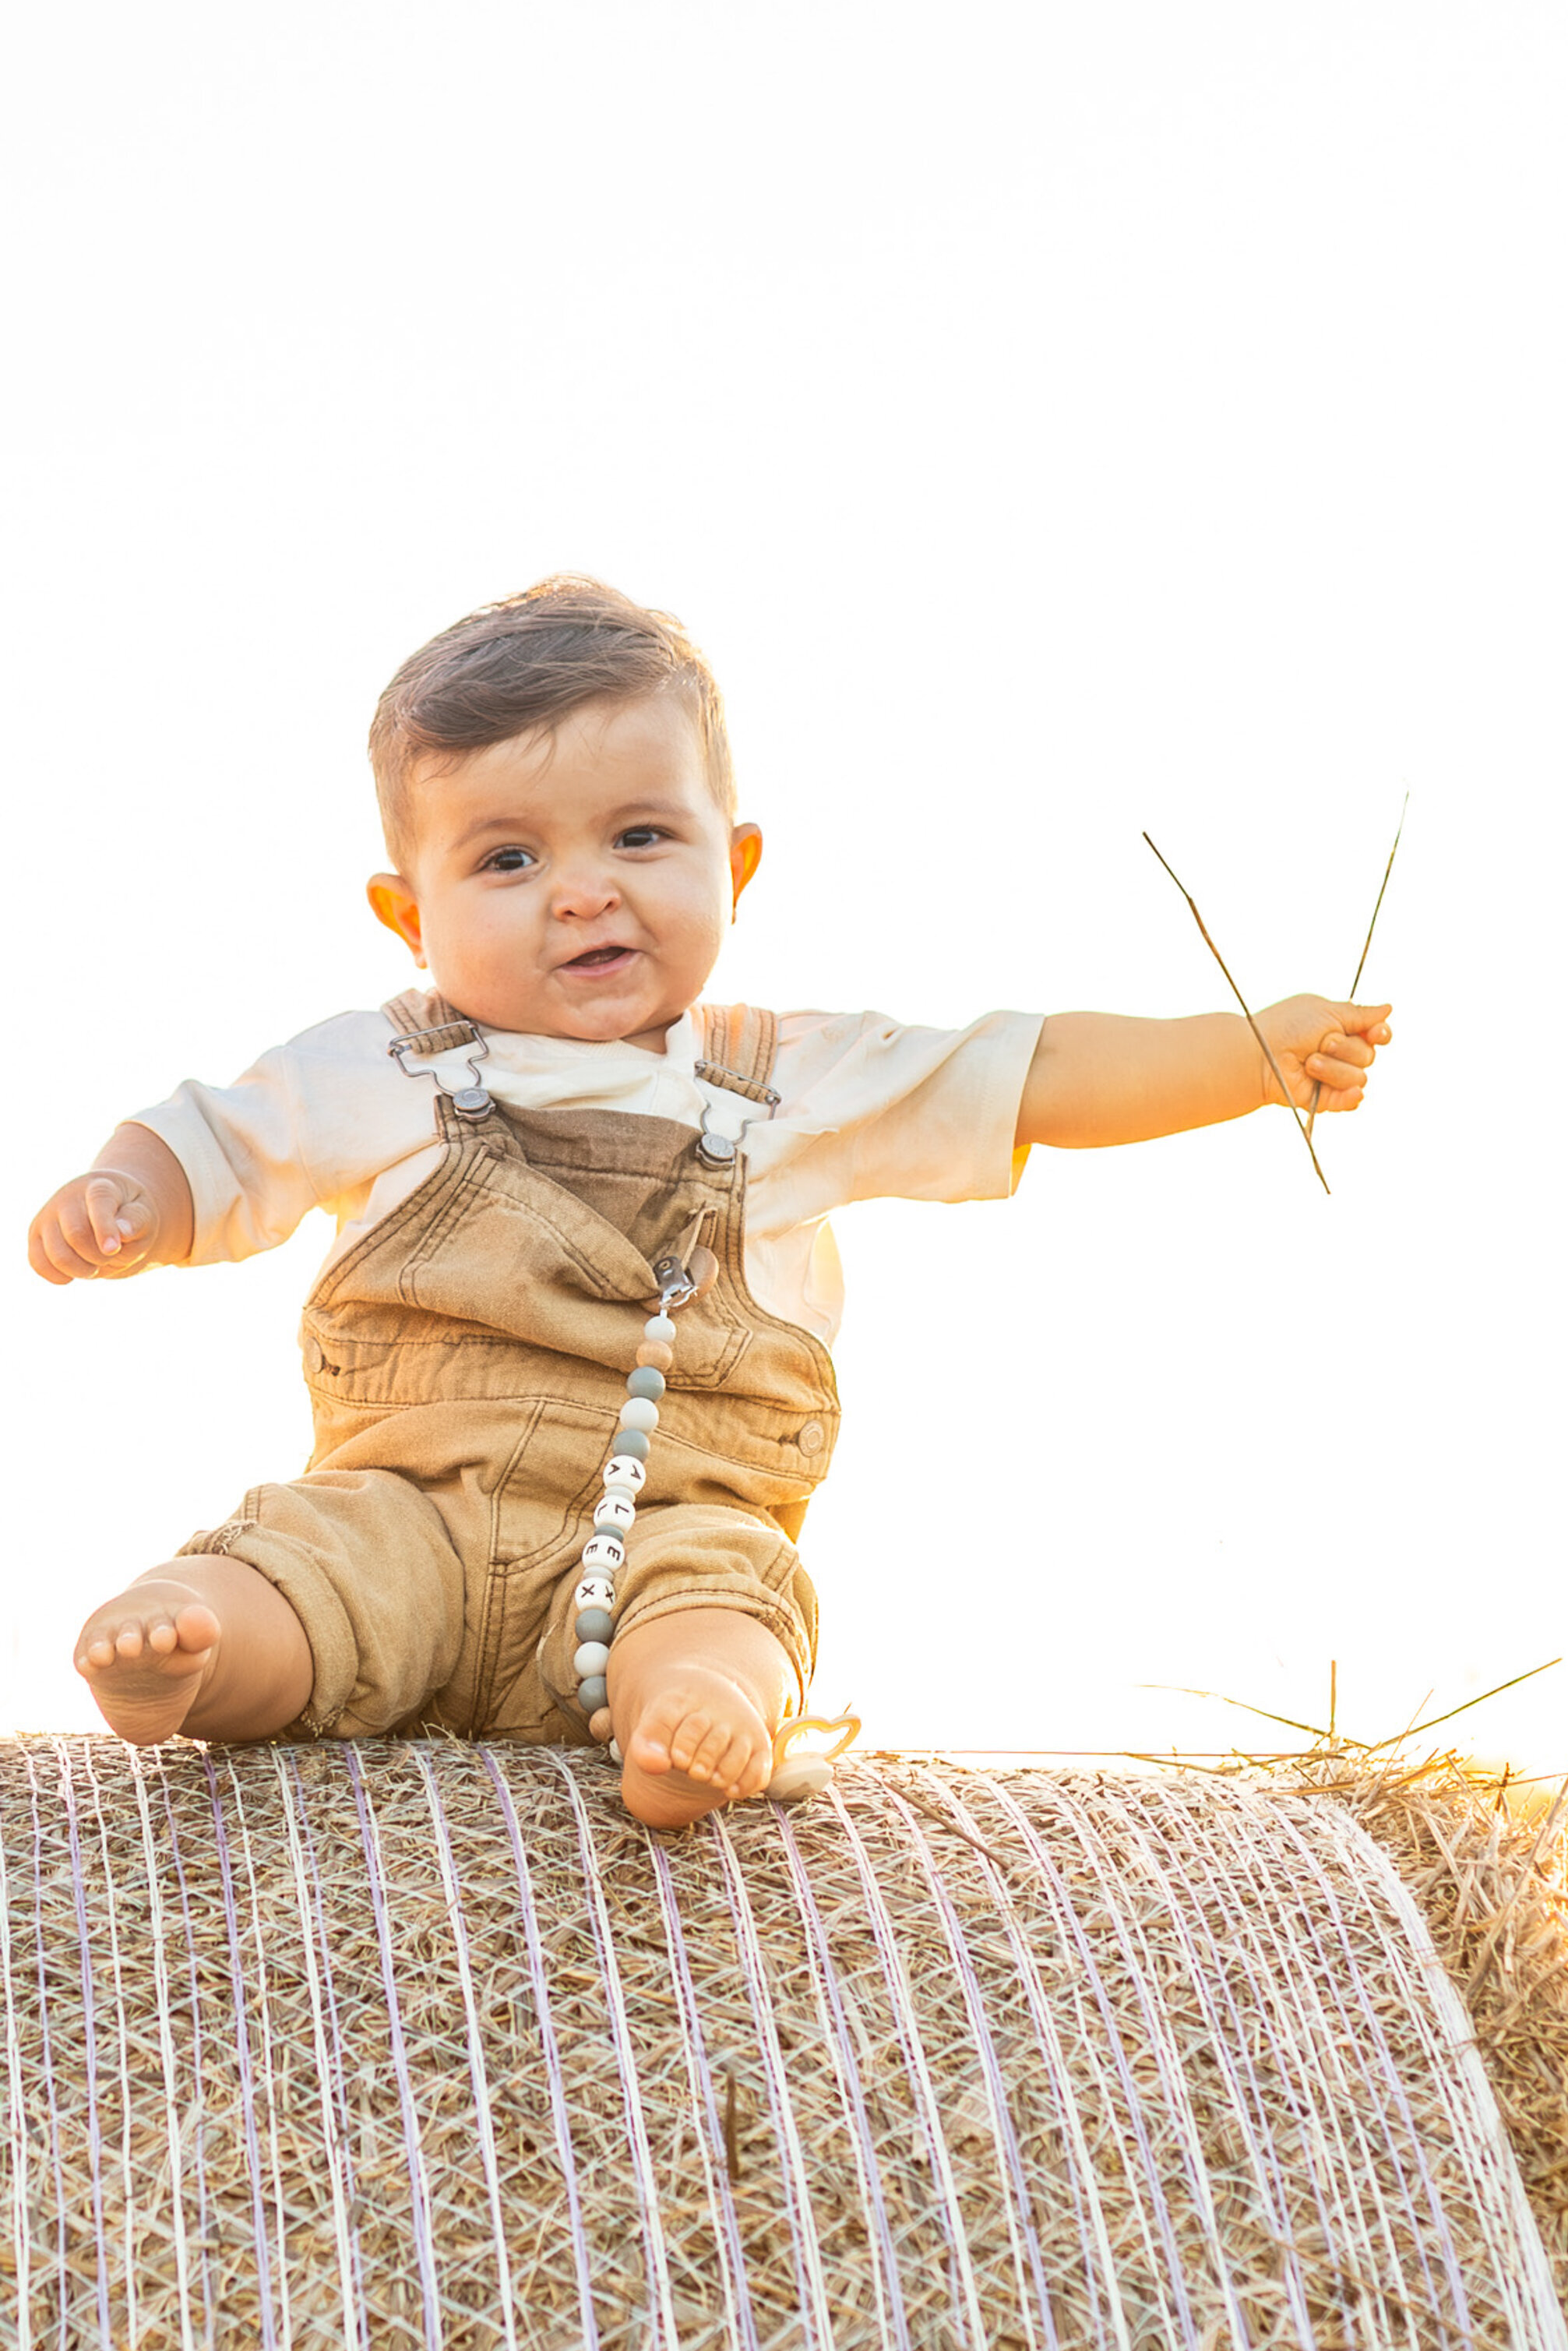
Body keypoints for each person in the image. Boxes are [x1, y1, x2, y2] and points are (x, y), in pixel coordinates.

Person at [28, 576, 1392, 1828]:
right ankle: (190, 1649)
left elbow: (1032, 1071)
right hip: (414, 1508)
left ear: (732, 867)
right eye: (506, 860)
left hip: (669, 1524)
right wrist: (124, 1196)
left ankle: (696, 1719)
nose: (582, 891)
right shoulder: (384, 1067)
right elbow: (212, 1138)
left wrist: (1244, 1057)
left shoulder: (798, 1077)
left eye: (638, 835)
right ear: (409, 915)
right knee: (304, 1572)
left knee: (724, 1598)